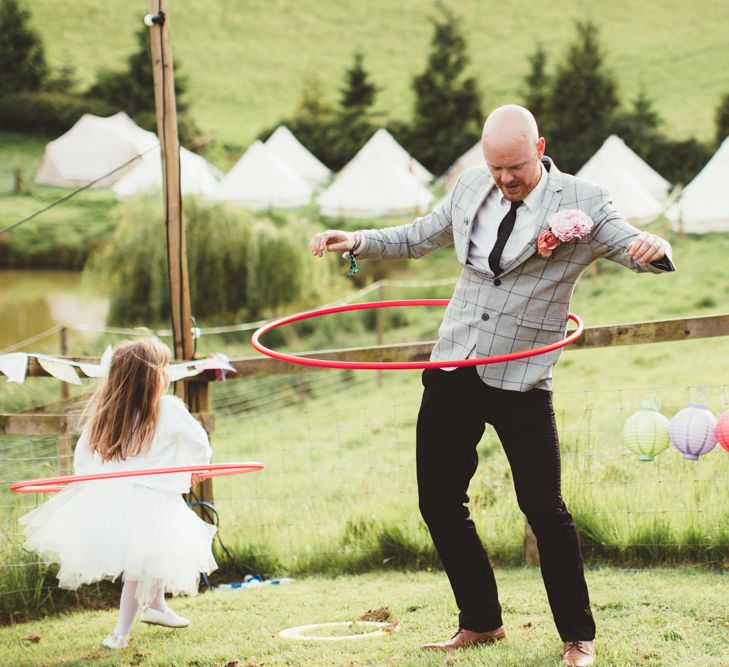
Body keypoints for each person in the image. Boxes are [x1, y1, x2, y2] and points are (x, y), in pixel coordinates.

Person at [310, 105, 674, 667]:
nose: (505, 179)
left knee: (544, 508)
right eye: (496, 167)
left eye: (516, 169)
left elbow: (632, 245)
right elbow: (418, 236)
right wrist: (356, 239)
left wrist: (656, 251)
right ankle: (481, 621)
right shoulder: (471, 186)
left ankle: (578, 637)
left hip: (522, 378)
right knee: (437, 501)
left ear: (541, 148)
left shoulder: (585, 200)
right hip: (454, 361)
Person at [20, 338, 217, 650]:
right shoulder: (167, 409)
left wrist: (89, 484)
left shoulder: (108, 412)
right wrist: (199, 467)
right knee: (140, 566)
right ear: (152, 377)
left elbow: (82, 456)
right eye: (164, 369)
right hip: (151, 500)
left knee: (150, 555)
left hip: (116, 501)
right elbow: (199, 442)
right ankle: (120, 634)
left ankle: (156, 607)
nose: (168, 375)